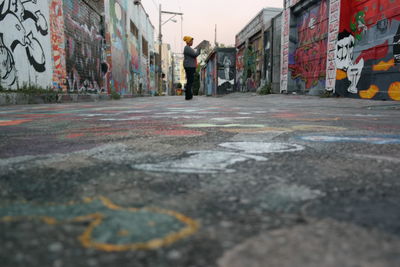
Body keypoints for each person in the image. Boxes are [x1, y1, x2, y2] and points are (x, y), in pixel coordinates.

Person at [183, 36, 200, 100]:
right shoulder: (187, 48)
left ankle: (189, 95)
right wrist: (199, 50)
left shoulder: (188, 48)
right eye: (191, 41)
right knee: (190, 81)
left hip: (189, 66)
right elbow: (195, 54)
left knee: (190, 81)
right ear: (188, 42)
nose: (192, 42)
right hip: (189, 66)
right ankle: (188, 96)